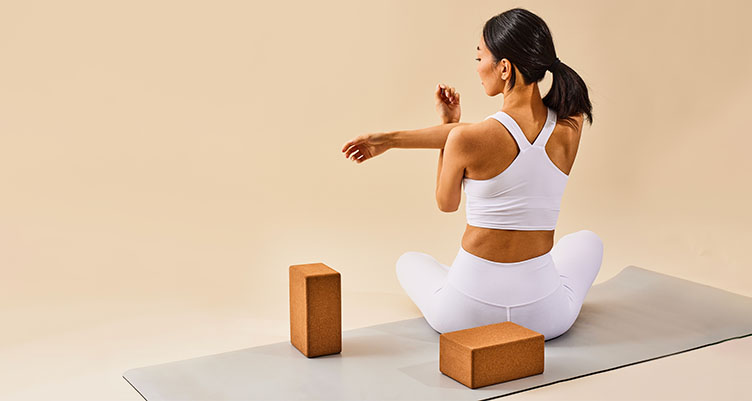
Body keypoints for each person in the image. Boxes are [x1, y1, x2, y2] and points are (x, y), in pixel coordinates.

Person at [340, 8, 603, 340]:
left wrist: (447, 127)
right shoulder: (572, 124)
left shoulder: (466, 139)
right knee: (587, 242)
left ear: (504, 68)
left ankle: (462, 278)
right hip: (546, 319)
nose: (477, 68)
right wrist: (390, 139)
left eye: (480, 58)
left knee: (409, 261)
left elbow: (446, 202)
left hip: (463, 314)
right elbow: (499, 134)